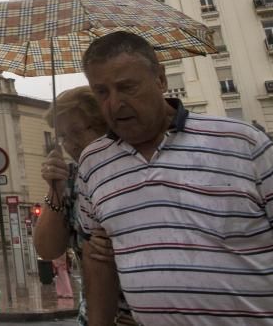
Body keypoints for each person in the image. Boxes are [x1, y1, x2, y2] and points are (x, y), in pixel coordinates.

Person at [78, 31, 273, 326]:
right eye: (101, 92)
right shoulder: (93, 163)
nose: (114, 104)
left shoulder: (242, 142)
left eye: (126, 87)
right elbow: (99, 259)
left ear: (161, 79)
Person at [33, 86, 127, 323]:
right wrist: (55, 188)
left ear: (104, 125)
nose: (70, 144)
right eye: (63, 136)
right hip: (94, 316)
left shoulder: (132, 168)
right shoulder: (72, 179)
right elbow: (47, 249)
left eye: (76, 131)